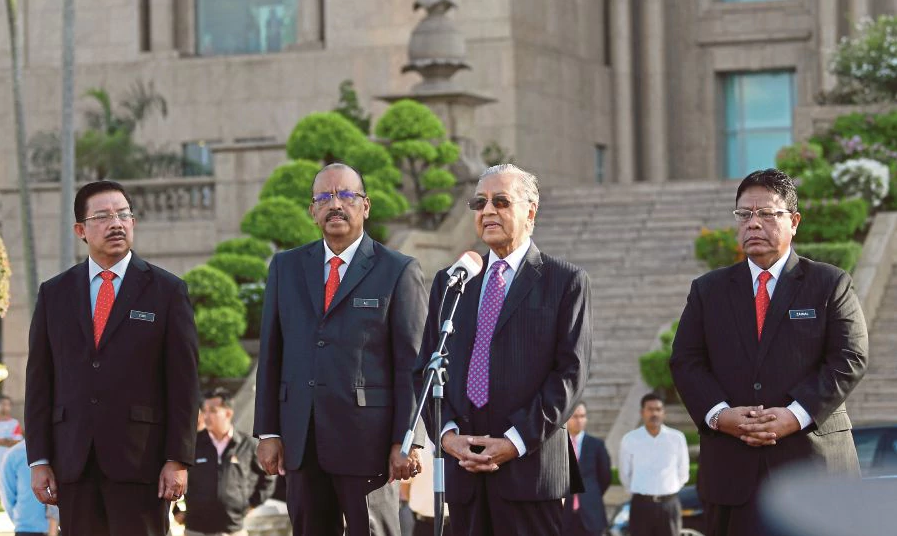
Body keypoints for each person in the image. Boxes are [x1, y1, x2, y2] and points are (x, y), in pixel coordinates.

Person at [669, 168, 869, 536]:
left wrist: (794, 415)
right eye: (744, 215)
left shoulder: (830, 283)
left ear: (793, 221)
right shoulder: (708, 291)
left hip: (815, 470)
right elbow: (685, 361)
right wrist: (720, 415)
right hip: (733, 475)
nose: (753, 224)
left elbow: (850, 357)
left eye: (766, 214)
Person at [414, 164, 591, 536]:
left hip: (531, 474)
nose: (487, 211)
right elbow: (427, 369)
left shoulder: (565, 282)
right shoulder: (453, 282)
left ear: (531, 211)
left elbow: (570, 376)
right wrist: (446, 436)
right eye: (479, 202)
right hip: (464, 474)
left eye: (500, 201)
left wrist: (513, 442)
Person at [253, 163, 427, 536]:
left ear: (366, 206)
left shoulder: (397, 270)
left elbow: (411, 364)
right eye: (324, 197)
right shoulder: (286, 267)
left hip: (371, 444)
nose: (336, 205)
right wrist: (268, 431)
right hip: (302, 440)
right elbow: (271, 354)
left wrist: (407, 439)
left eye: (347, 195)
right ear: (312, 211)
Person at [25, 180, 200, 536]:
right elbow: (40, 382)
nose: (116, 223)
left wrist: (177, 459)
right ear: (81, 230)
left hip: (142, 464)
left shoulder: (167, 291)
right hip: (73, 464)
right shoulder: (54, 294)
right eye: (103, 217)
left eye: (123, 215)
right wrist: (40, 459)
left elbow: (183, 384)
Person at [178, 388, 274, 536]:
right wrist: (176, 511)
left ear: (228, 413)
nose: (206, 416)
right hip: (195, 529)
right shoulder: (193, 444)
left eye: (213, 411)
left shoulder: (247, 445)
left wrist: (250, 505)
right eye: (204, 411)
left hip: (233, 530)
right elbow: (175, 473)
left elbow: (268, 476)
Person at [618, 394, 689, 536]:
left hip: (669, 505)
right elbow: (624, 474)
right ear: (642, 412)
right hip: (641, 506)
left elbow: (683, 473)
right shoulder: (630, 439)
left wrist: (667, 490)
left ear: (664, 413)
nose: (654, 413)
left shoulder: (677, 438)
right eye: (650, 409)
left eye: (658, 409)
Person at [562, 402, 612, 536]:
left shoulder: (597, 445)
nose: (579, 420)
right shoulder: (557, 445)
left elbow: (605, 477)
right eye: (575, 416)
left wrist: (590, 493)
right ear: (566, 418)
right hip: (563, 516)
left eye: (582, 416)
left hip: (591, 513)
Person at [1, 441, 58, 536]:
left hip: (63, 526)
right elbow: (8, 496)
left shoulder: (62, 447)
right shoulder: (13, 455)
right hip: (27, 529)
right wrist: (22, 520)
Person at [0, 395, 24, 460]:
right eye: (3, 403)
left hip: (6, 461)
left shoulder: (14, 423)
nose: (4, 407)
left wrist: (5, 441)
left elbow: (18, 441)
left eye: (8, 404)